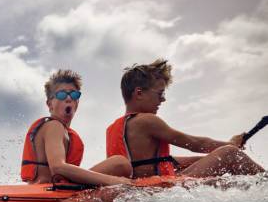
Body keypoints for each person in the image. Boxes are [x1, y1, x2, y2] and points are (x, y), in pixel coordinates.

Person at [106, 59, 264, 178]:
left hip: (139, 189)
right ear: (139, 93)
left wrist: (205, 158)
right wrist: (231, 144)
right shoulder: (147, 121)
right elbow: (195, 144)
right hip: (156, 191)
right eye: (160, 94)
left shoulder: (114, 128)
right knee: (229, 154)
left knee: (213, 160)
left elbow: (156, 162)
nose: (163, 100)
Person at [21, 69, 132, 186]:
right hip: (47, 193)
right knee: (120, 163)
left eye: (74, 94)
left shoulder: (64, 131)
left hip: (60, 189)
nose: (69, 98)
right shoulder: (53, 126)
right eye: (61, 94)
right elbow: (57, 167)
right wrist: (114, 181)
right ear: (50, 105)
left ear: (77, 103)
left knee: (120, 163)